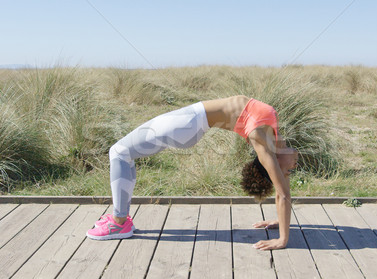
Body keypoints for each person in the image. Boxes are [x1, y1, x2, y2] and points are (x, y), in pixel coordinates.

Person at [86, 95, 299, 250]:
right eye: (289, 171)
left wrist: (283, 239)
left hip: (188, 124)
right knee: (122, 152)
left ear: (272, 165)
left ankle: (119, 223)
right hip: (189, 122)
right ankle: (120, 219)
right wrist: (281, 221)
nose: (292, 169)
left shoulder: (264, 143)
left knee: (119, 152)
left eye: (287, 171)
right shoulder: (274, 139)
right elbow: (282, 191)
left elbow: (283, 193)